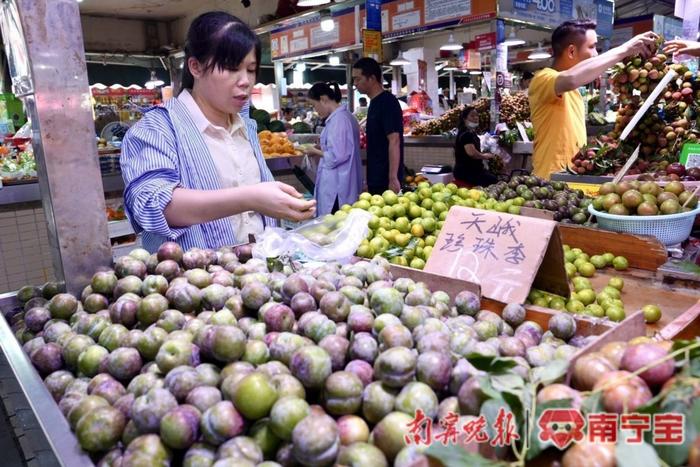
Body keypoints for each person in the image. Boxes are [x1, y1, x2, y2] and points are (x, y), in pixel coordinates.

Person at [121, 12, 316, 252]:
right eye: (231, 68)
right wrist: (250, 198)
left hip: (256, 279)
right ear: (195, 66)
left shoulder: (245, 124)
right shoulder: (157, 130)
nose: (245, 81)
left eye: (251, 69)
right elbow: (155, 206)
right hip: (192, 285)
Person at [528, 20, 658, 179]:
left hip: (572, 176)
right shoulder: (543, 79)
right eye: (592, 47)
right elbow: (571, 78)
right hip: (549, 179)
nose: (596, 53)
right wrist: (624, 49)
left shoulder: (573, 92)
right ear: (571, 52)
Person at [304, 82, 362, 216]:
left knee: (334, 224)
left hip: (337, 186)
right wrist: (322, 147)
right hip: (344, 181)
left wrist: (315, 151)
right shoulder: (345, 117)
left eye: (314, 105)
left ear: (323, 99)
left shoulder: (339, 120)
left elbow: (338, 156)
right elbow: (341, 147)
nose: (315, 110)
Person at [352, 57, 404, 194]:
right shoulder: (373, 103)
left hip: (386, 180)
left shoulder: (387, 102)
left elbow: (394, 140)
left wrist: (393, 177)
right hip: (376, 177)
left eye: (358, 79)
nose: (355, 84)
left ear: (372, 78)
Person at [453, 106, 498, 187]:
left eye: (477, 115)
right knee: (494, 180)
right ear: (464, 119)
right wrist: (484, 156)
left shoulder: (469, 132)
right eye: (472, 116)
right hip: (467, 172)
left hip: (471, 170)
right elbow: (472, 153)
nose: (476, 118)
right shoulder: (466, 134)